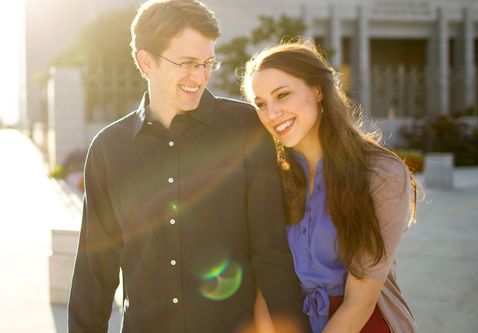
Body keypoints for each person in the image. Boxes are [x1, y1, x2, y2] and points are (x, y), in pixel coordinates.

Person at [68, 1, 310, 332]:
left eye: (207, 62)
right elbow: (94, 274)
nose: (199, 76)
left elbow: (271, 254)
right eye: (187, 63)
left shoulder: (245, 129)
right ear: (146, 62)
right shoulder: (108, 150)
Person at [242, 40, 418, 333]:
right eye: (260, 104)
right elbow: (266, 279)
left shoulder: (381, 173)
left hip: (363, 323)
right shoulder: (271, 176)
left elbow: (360, 301)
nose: (272, 113)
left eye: (283, 95)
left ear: (318, 90)